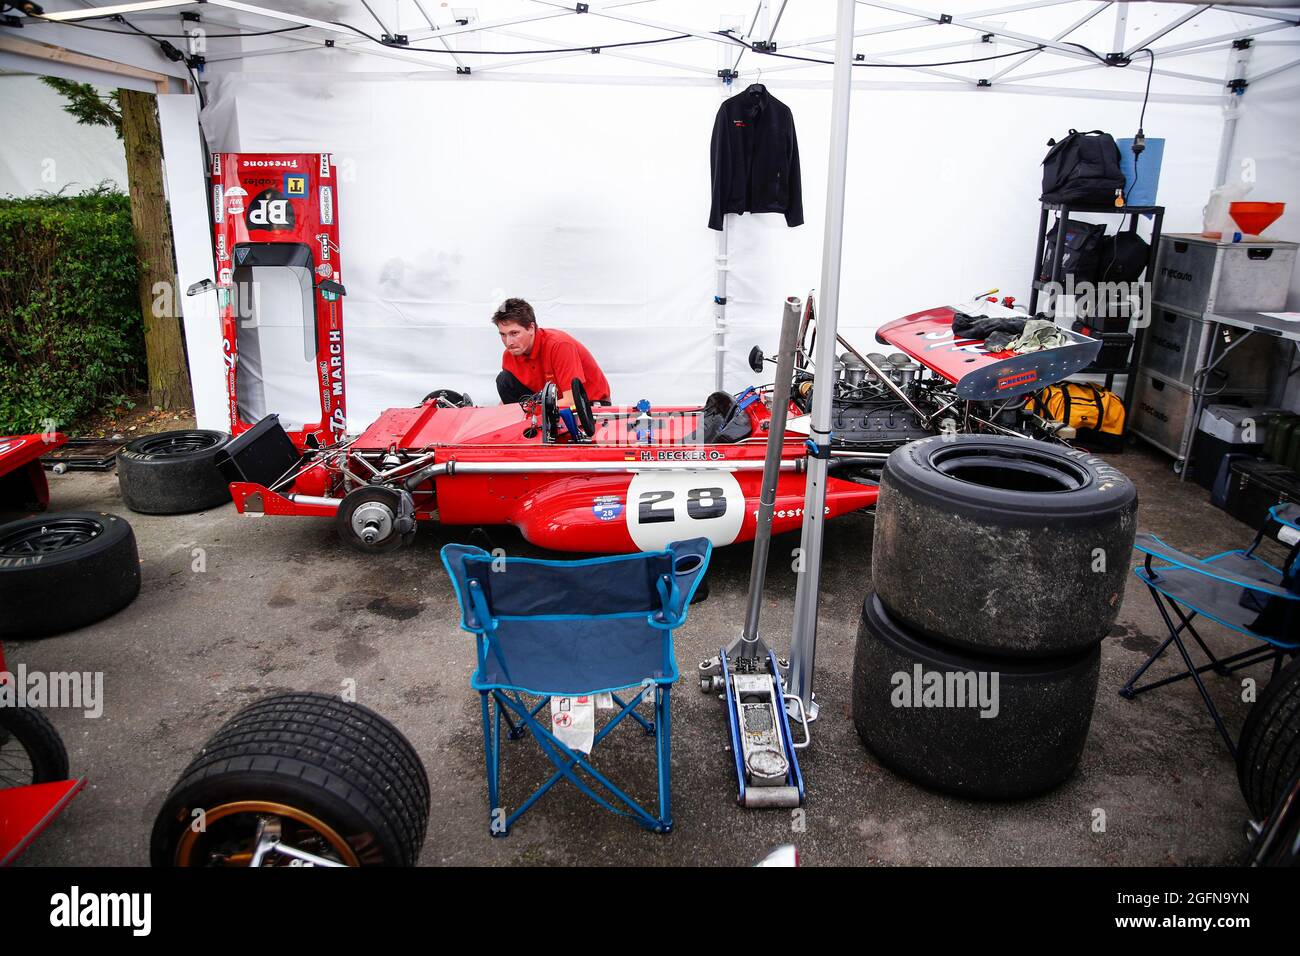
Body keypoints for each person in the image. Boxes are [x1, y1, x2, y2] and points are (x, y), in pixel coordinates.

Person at [492, 298, 611, 408]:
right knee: (504, 380)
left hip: (590, 406)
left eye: (514, 333)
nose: (508, 342)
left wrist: (529, 410)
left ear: (531, 328)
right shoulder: (509, 355)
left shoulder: (559, 345)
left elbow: (572, 401)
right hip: (550, 405)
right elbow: (510, 401)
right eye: (503, 334)